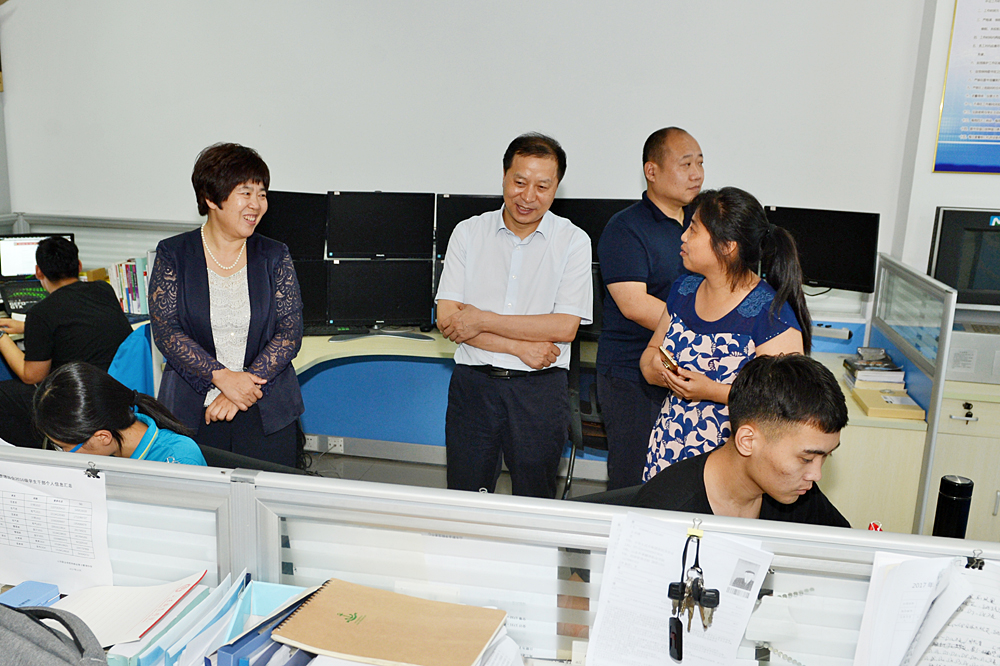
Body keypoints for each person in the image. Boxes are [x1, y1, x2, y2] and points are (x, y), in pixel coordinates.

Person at [436, 133, 593, 498]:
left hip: (539, 391)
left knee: (534, 500)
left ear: (556, 188)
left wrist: (481, 319)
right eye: (519, 182)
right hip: (474, 386)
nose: (528, 196)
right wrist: (519, 347)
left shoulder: (573, 241)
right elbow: (448, 319)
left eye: (542, 186)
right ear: (504, 176)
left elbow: (564, 326)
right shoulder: (468, 232)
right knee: (465, 497)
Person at [640, 187, 812, 481]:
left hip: (730, 464)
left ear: (727, 246)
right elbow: (649, 356)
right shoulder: (684, 290)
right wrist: (657, 370)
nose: (683, 237)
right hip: (669, 447)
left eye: (693, 230)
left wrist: (711, 391)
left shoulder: (770, 314)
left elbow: (783, 402)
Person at [149, 143, 304, 467]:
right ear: (210, 198)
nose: (256, 204)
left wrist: (241, 387)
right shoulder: (174, 254)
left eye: (262, 194)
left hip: (266, 408)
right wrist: (221, 377)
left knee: (271, 495)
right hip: (193, 413)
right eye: (245, 193)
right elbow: (167, 332)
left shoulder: (274, 255)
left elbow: (289, 333)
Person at [596, 127, 704, 489]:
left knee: (685, 484)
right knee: (635, 484)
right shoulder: (626, 228)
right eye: (686, 164)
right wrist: (703, 330)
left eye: (700, 163)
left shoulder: (703, 226)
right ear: (651, 170)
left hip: (691, 373)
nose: (696, 174)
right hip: (632, 377)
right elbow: (634, 304)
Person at [632, 354, 850, 528]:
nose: (816, 475)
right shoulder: (666, 513)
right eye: (806, 459)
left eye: (826, 456)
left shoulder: (798, 494)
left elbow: (850, 554)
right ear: (747, 441)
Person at [0, 236, 132, 448]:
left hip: (77, 401)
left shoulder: (42, 312)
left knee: (4, 393)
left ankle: (47, 447)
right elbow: (78, 322)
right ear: (78, 266)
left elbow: (32, 376)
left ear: (38, 272)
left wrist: (1, 337)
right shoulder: (103, 290)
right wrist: (28, 327)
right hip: (113, 389)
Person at [33, 362, 206, 466]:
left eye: (63, 448)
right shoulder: (106, 452)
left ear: (102, 437)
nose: (62, 455)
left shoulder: (179, 460)